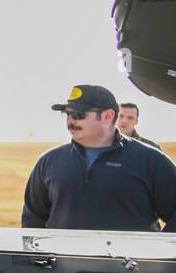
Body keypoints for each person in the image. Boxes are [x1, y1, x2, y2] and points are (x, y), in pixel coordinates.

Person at [22, 84, 176, 232]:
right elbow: (32, 220)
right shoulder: (49, 162)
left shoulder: (151, 160)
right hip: (65, 259)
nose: (70, 121)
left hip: (132, 259)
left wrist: (159, 253)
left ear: (108, 116)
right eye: (67, 114)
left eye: (78, 114)